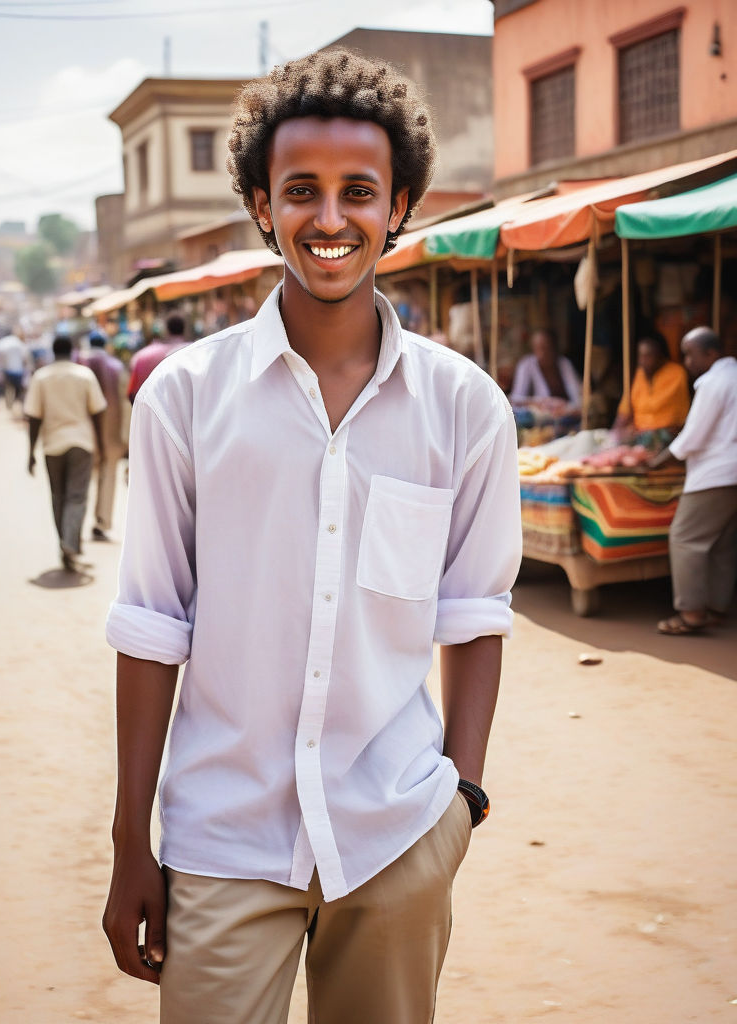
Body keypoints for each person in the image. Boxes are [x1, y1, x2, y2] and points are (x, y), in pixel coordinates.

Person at [101, 48, 521, 1024]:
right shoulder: (185, 399)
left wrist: (460, 802)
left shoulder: (464, 409)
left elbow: (473, 615)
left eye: (357, 192)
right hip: (220, 842)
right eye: (301, 190)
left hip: (397, 834)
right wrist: (130, 842)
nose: (329, 220)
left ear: (400, 204)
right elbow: (151, 625)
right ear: (260, 203)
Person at [649, 326, 737, 635]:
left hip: (715, 475)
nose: (686, 362)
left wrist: (659, 460)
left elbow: (693, 438)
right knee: (722, 544)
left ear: (711, 353)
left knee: (684, 538)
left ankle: (691, 613)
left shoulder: (714, 382)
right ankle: (716, 607)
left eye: (690, 354)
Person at [24, 333, 106, 572]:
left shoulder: (41, 377)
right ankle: (70, 544)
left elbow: (34, 417)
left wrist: (30, 451)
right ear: (72, 350)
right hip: (81, 443)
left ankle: (66, 545)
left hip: (52, 445)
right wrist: (99, 443)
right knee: (77, 497)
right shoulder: (84, 375)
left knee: (58, 497)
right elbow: (98, 411)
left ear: (53, 351)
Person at [80, 329, 125, 540]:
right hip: (111, 431)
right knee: (108, 477)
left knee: (82, 477)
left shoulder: (79, 363)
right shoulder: (116, 366)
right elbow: (125, 403)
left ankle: (76, 520)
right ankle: (102, 521)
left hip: (84, 430)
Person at [613, 334, 691, 447]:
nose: (643, 361)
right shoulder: (640, 374)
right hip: (640, 433)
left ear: (660, 357)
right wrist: (615, 433)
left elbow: (658, 407)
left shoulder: (676, 373)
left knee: (646, 441)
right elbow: (625, 410)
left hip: (668, 433)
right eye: (641, 356)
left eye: (648, 356)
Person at [126, 312, 191, 405]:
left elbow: (132, 393)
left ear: (166, 330)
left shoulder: (143, 356)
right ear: (184, 329)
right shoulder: (194, 353)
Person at [509, 326, 581, 407]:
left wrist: (566, 407)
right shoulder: (526, 365)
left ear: (555, 348)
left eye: (546, 348)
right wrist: (542, 402)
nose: (542, 353)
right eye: (537, 348)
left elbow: (579, 398)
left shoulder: (565, 364)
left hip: (566, 416)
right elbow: (515, 399)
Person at [0, 328, 31, 414]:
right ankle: (21, 410)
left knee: (9, 389)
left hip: (7, 370)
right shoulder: (19, 343)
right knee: (21, 391)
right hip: (18, 371)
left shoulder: (2, 342)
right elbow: (25, 357)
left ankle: (10, 407)